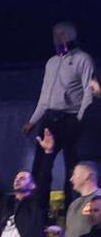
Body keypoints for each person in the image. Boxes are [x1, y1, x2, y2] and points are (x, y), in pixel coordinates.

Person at [29, 21, 94, 190]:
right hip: (49, 119)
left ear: (72, 35)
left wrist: (80, 118)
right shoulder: (52, 62)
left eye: (63, 34)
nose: (58, 38)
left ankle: (71, 204)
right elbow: (45, 95)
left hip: (70, 118)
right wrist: (33, 120)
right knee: (41, 166)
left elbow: (88, 91)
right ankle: (38, 204)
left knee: (72, 166)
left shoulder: (83, 59)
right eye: (56, 34)